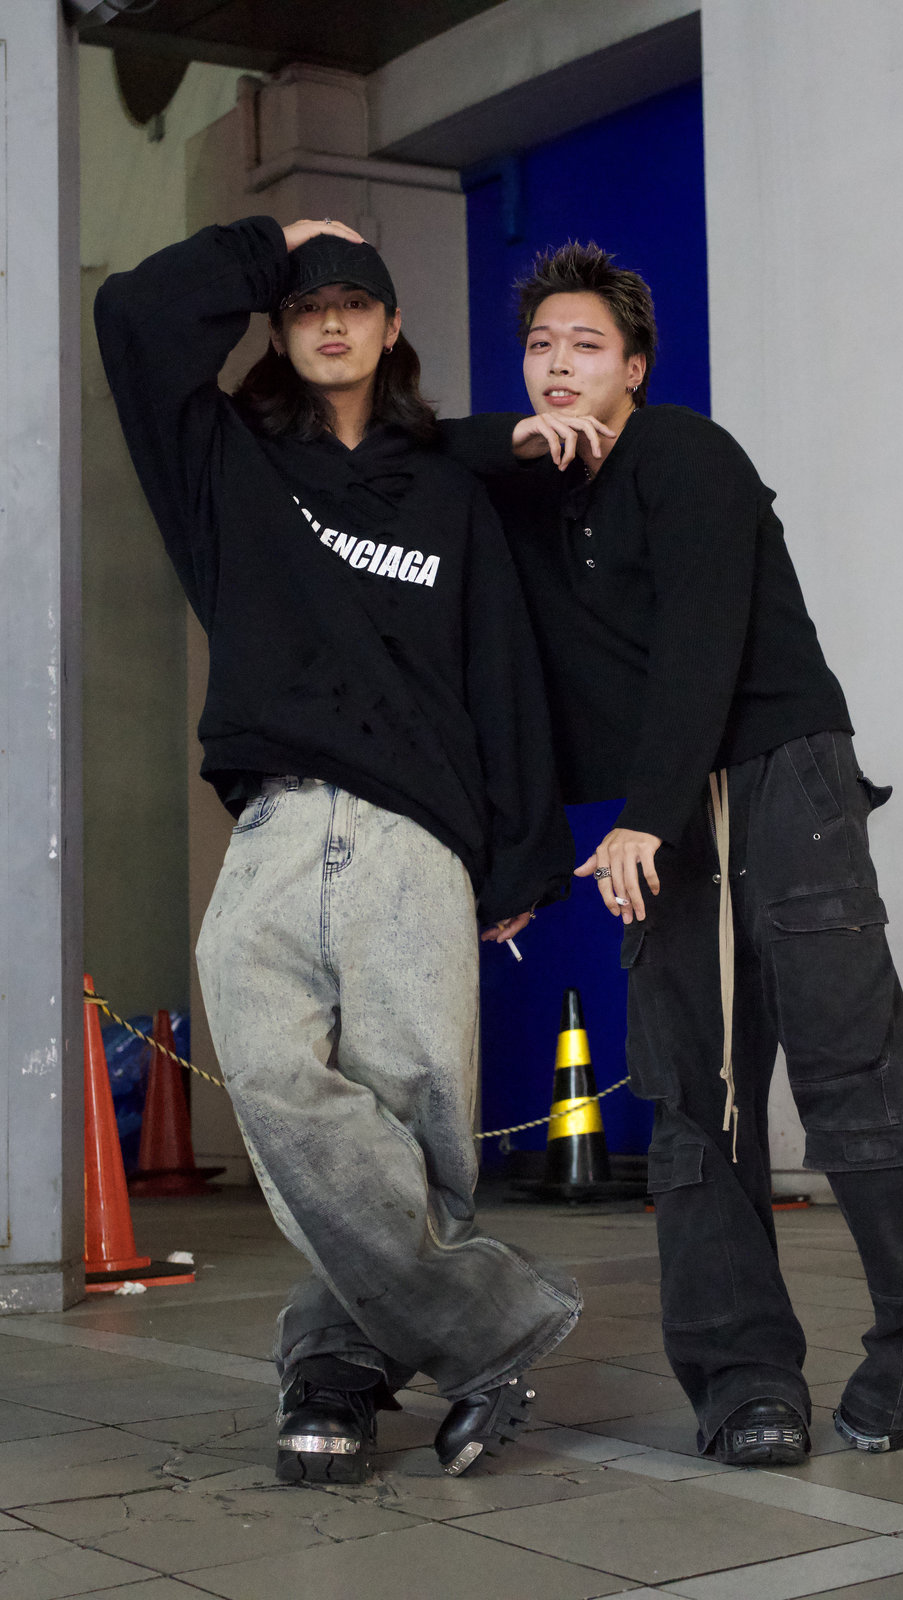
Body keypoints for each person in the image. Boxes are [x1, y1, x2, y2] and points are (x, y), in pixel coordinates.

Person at [439, 244, 903, 1466]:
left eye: (585, 345)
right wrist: (530, 867)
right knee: (693, 1103)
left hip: (776, 777)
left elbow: (702, 639)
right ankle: (743, 1378)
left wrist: (643, 815)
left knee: (849, 1065)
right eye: (541, 346)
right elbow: (422, 483)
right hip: (660, 812)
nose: (557, 363)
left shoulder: (687, 453)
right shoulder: (529, 502)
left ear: (635, 369)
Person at [94, 215, 581, 1483]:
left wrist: (520, 859)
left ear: (390, 325)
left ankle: (333, 1366)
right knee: (272, 1078)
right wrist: (275, 240)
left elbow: (503, 673)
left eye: (352, 301)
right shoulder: (224, 462)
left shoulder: (447, 488)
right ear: (277, 318)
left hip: (419, 840)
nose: (327, 319)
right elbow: (134, 319)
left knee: (414, 1117)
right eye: (304, 302)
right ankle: (490, 1331)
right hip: (276, 820)